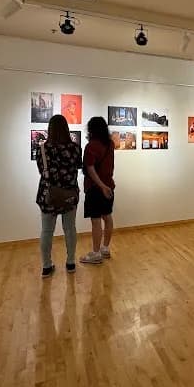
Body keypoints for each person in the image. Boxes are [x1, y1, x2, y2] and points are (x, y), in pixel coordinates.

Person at [35, 114, 82, 278]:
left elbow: (42, 170)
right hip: (69, 193)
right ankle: (70, 263)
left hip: (49, 194)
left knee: (47, 230)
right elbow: (78, 166)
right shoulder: (75, 148)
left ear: (50, 129)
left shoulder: (42, 148)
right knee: (70, 229)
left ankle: (46, 266)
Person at [80, 116, 116, 265]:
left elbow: (90, 168)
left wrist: (101, 186)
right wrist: (106, 186)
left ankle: (95, 253)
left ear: (91, 130)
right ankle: (105, 248)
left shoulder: (91, 146)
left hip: (96, 189)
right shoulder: (110, 144)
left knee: (96, 221)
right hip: (109, 186)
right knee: (107, 217)